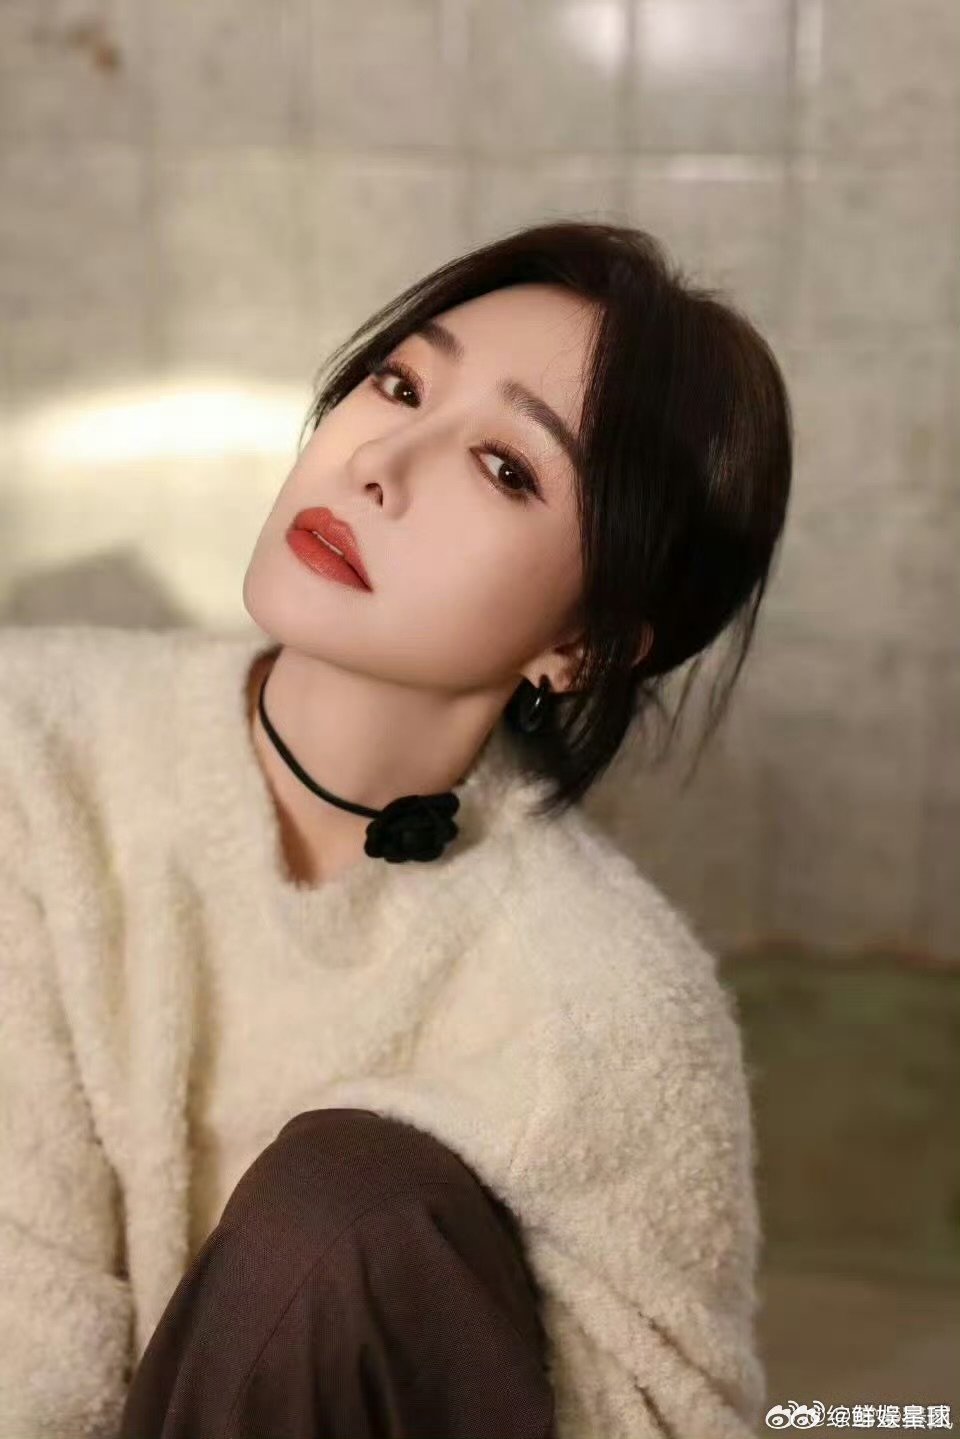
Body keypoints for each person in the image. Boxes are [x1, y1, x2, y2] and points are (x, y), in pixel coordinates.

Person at [0, 218, 792, 1437]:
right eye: (401, 384)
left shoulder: (613, 1005)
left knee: (346, 1207)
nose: (381, 461)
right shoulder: (31, 751)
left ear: (582, 643)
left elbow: (673, 1413)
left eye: (505, 466)